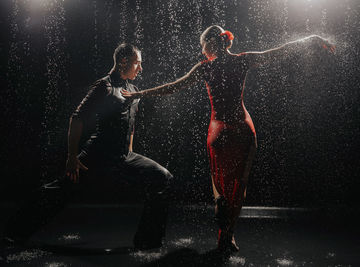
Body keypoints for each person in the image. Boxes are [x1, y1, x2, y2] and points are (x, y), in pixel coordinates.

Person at [122, 25, 335, 253]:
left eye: (203, 46)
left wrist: (140, 94)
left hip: (219, 130)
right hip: (244, 128)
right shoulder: (243, 60)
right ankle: (228, 236)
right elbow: (279, 51)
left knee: (218, 177)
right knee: (239, 184)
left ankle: (218, 201)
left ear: (211, 43)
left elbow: (173, 87)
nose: (203, 51)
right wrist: (311, 39)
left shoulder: (205, 68)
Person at [4, 43, 173, 250]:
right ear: (123, 62)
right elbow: (77, 119)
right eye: (137, 63)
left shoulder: (133, 89)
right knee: (60, 190)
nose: (141, 68)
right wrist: (72, 157)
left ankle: (148, 242)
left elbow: (131, 124)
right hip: (98, 155)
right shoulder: (104, 86)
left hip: (123, 156)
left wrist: (128, 152)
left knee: (162, 178)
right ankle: (15, 232)